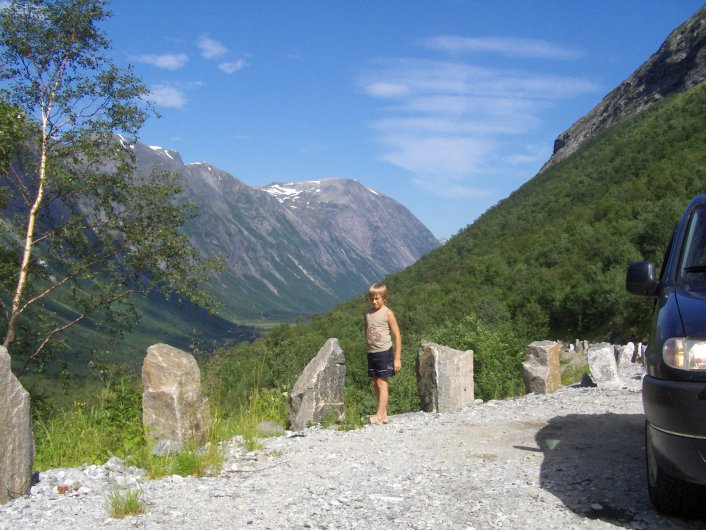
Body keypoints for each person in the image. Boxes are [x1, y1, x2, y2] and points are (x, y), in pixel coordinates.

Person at [364, 282, 401, 425]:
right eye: (371, 299)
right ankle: (384, 415)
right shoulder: (367, 314)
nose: (374, 301)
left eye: (377, 298)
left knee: (382, 382)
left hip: (384, 352)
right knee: (375, 382)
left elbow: (397, 335)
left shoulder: (387, 313)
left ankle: (378, 416)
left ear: (384, 298)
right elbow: (367, 330)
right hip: (372, 352)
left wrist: (397, 358)